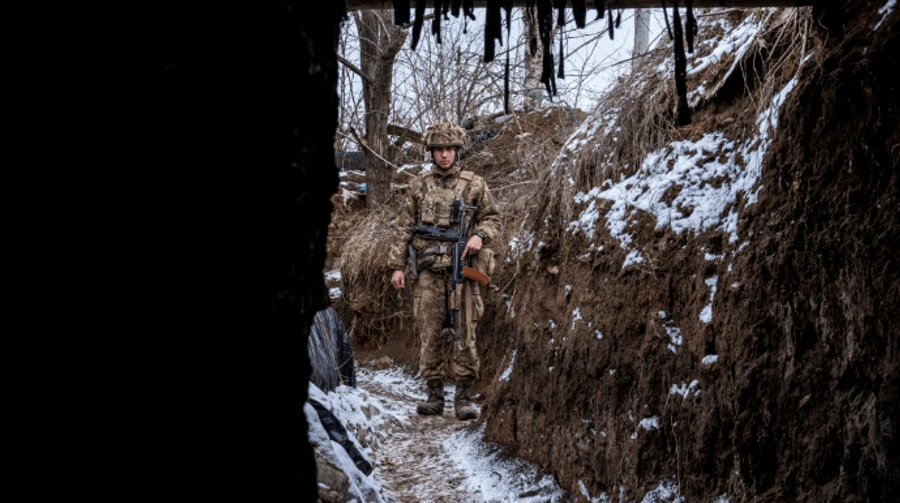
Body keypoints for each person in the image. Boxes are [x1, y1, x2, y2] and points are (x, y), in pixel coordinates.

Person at [388, 121, 500, 420]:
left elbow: (493, 219)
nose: (444, 155)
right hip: (427, 273)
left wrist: (479, 236)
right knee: (430, 334)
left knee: (465, 333)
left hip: (462, 272)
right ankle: (434, 394)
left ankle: (463, 396)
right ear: (431, 152)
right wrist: (398, 266)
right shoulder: (418, 185)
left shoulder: (475, 184)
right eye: (439, 149)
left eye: (449, 149)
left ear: (457, 150)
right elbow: (403, 228)